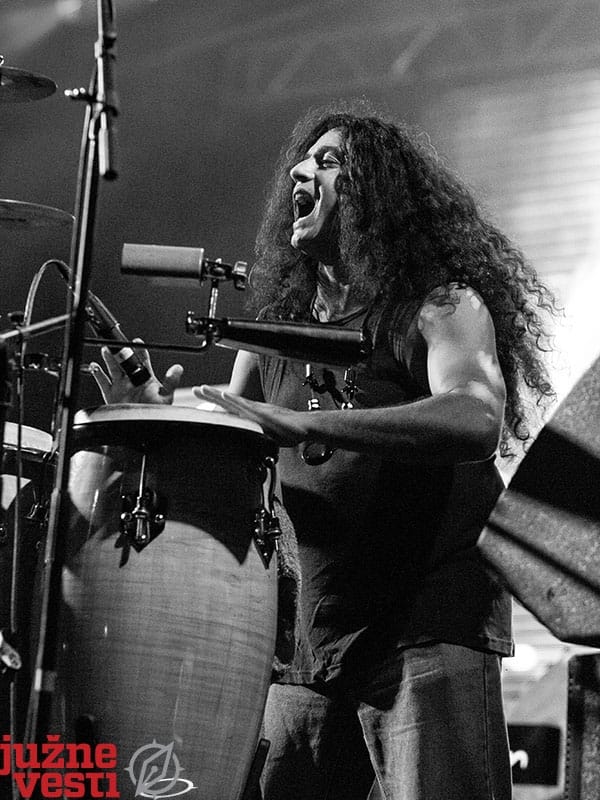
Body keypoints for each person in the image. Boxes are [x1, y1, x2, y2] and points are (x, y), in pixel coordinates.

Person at [92, 102, 558, 800]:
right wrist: (156, 413)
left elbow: (475, 416)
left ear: (376, 195)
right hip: (311, 641)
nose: (300, 173)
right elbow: (237, 431)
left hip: (424, 622)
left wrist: (316, 427)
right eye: (301, 162)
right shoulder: (274, 331)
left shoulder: (437, 305)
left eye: (329, 161)